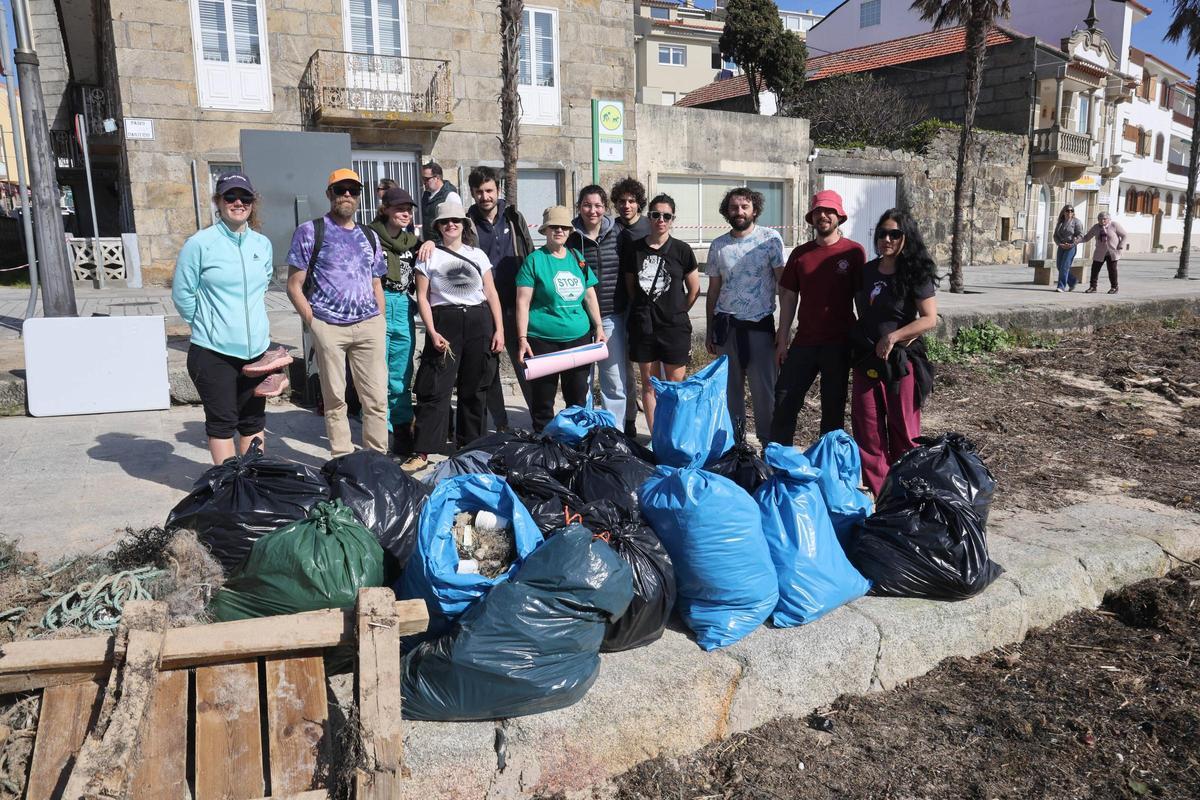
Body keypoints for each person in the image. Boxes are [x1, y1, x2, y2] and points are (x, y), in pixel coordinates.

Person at [174, 174, 291, 465]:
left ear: (253, 203)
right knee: (222, 423)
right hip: (214, 352)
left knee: (253, 422)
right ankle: (227, 489)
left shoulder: (262, 244)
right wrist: (207, 325)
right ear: (218, 202)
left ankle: (253, 482)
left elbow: (261, 286)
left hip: (256, 353)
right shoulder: (200, 244)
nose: (238, 203)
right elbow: (183, 293)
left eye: (245, 198)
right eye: (230, 197)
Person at [286, 168, 389, 458]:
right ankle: (342, 458)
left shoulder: (369, 235)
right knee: (335, 399)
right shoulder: (310, 231)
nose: (347, 195)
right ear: (329, 193)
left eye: (353, 190)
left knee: (377, 399)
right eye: (340, 189)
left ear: (359, 196)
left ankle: (376, 459)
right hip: (328, 326)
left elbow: (376, 281)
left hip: (369, 325)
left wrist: (379, 319)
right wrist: (313, 322)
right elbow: (294, 285)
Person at [405, 201, 505, 472]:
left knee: (475, 389)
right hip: (444, 322)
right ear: (438, 226)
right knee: (435, 388)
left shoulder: (478, 254)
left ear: (464, 225)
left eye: (456, 221)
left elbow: (491, 292)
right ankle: (423, 450)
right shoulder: (429, 255)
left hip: (478, 320)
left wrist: (500, 329)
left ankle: (470, 448)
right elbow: (423, 298)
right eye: (445, 221)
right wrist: (432, 330)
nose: (451, 225)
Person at [851, 208, 939, 496]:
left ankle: (908, 492)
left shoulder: (915, 272)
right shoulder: (866, 271)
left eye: (894, 234)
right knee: (868, 430)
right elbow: (862, 310)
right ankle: (882, 495)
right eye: (882, 233)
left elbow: (929, 318)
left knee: (904, 430)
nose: (886, 239)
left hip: (901, 362)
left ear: (905, 237)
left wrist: (895, 336)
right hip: (867, 359)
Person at [770, 190, 866, 445]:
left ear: (839, 217)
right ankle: (778, 461)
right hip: (805, 342)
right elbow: (788, 297)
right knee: (784, 399)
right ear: (811, 218)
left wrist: (865, 340)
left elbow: (861, 299)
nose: (823, 216)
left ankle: (827, 465)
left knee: (832, 409)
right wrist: (782, 340)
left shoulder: (854, 252)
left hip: (839, 343)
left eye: (829, 211)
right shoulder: (800, 254)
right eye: (818, 212)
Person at [704, 187, 785, 444]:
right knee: (730, 393)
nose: (739, 212)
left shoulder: (770, 240)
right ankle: (736, 446)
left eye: (744, 207)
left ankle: (768, 445)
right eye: (734, 208)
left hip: (760, 328)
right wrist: (709, 330)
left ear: (755, 210)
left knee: (765, 393)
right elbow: (714, 290)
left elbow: (784, 288)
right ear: (726, 212)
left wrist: (783, 334)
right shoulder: (718, 246)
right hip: (726, 328)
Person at [516, 206, 605, 431]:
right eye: (554, 226)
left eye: (564, 227)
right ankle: (544, 445)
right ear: (545, 230)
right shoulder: (534, 260)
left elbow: (590, 294)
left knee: (576, 398)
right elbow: (523, 302)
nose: (559, 231)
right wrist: (522, 337)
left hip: (578, 339)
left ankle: (573, 443)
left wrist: (599, 326)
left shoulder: (578, 258)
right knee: (543, 401)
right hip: (543, 341)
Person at [622, 194, 701, 432]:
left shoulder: (682, 250)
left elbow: (694, 290)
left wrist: (676, 311)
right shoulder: (634, 250)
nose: (661, 220)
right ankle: (658, 439)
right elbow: (631, 287)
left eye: (666, 216)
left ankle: (675, 436)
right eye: (656, 215)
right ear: (649, 217)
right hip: (644, 327)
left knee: (675, 386)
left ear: (672, 219)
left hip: (674, 328)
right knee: (649, 385)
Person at [567, 185, 627, 425]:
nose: (593, 210)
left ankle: (615, 433)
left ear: (605, 208)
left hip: (612, 316)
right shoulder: (570, 238)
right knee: (583, 381)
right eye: (587, 205)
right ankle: (584, 429)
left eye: (598, 205)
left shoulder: (618, 234)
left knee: (613, 380)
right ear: (580, 207)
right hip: (579, 318)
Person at [368, 187, 420, 458]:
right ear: (385, 209)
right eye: (400, 208)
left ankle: (401, 433)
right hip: (378, 303)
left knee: (401, 374)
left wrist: (431, 242)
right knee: (379, 373)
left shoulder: (413, 241)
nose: (405, 213)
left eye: (409, 209)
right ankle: (381, 434)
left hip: (403, 305)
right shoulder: (369, 237)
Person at [611, 177, 651, 437]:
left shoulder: (651, 227)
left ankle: (658, 427)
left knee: (649, 370)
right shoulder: (611, 228)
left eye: (632, 201)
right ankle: (628, 422)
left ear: (639, 204)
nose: (626, 205)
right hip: (617, 306)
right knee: (622, 369)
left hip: (646, 308)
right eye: (622, 201)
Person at [1079, 211, 1127, 294]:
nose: (1102, 221)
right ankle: (1093, 287)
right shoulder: (1096, 227)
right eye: (1100, 219)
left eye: (1104, 219)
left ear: (1109, 219)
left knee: (1112, 270)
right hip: (1100, 252)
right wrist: (1076, 241)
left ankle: (1114, 287)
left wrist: (1121, 246)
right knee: (1095, 269)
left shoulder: (1114, 225)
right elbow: (1087, 237)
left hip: (1112, 252)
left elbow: (1125, 235)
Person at [420, 162, 462, 241]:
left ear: (437, 178)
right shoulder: (426, 195)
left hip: (444, 245)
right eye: (423, 179)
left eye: (426, 179)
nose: (424, 182)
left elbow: (457, 225)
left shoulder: (451, 196)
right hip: (429, 244)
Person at [1053, 205, 1084, 292]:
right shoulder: (1060, 222)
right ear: (1064, 212)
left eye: (1071, 211)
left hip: (1071, 247)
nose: (1069, 212)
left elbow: (1081, 235)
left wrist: (1073, 243)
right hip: (1062, 246)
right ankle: (1073, 281)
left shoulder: (1077, 222)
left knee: (1064, 267)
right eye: (1067, 211)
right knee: (1059, 266)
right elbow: (1055, 236)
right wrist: (1059, 244)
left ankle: (1061, 286)